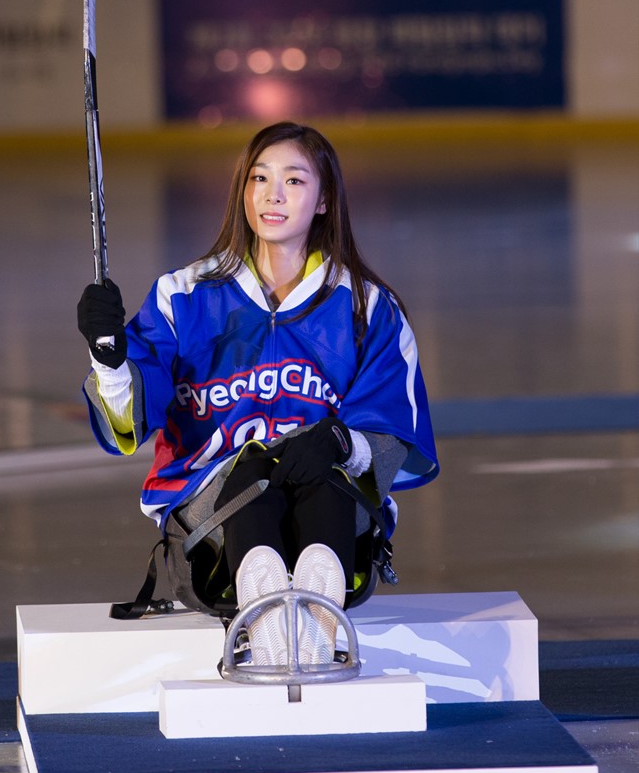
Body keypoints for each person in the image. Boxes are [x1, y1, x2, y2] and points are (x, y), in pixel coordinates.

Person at [77, 121, 439, 668]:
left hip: (330, 503)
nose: (273, 194)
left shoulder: (368, 307)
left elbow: (393, 435)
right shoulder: (183, 296)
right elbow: (128, 421)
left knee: (324, 478)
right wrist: (108, 360)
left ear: (324, 200)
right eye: (259, 178)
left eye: (294, 180)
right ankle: (274, 627)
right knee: (250, 476)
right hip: (214, 511)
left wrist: (342, 444)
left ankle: (312, 625)